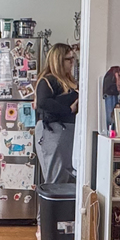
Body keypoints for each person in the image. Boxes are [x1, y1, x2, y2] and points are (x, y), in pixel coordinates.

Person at [35, 43, 79, 184]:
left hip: (66, 131)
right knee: (56, 177)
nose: (72, 62)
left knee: (65, 175)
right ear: (58, 61)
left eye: (73, 58)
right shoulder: (48, 80)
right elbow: (43, 103)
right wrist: (69, 109)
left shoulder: (68, 81)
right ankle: (52, 207)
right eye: (68, 59)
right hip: (54, 130)